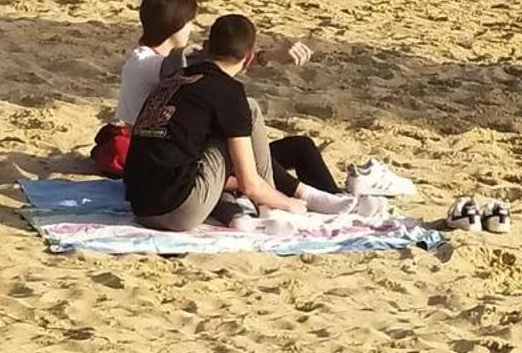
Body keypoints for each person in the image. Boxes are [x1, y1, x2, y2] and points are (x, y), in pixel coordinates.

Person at [124, 14, 376, 231]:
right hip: (177, 211)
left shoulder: (176, 78)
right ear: (248, 58)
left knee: (215, 129)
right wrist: (287, 202)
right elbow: (249, 183)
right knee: (249, 111)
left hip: (139, 206)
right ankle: (270, 205)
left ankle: (254, 206)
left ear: (208, 47)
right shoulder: (228, 91)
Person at [98, 0, 311, 174]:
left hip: (178, 153)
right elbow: (200, 62)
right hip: (162, 160)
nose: (192, 28)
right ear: (175, 25)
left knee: (300, 148)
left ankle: (333, 199)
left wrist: (270, 56)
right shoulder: (142, 62)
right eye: (189, 22)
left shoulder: (156, 60)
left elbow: (222, 61)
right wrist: (270, 56)